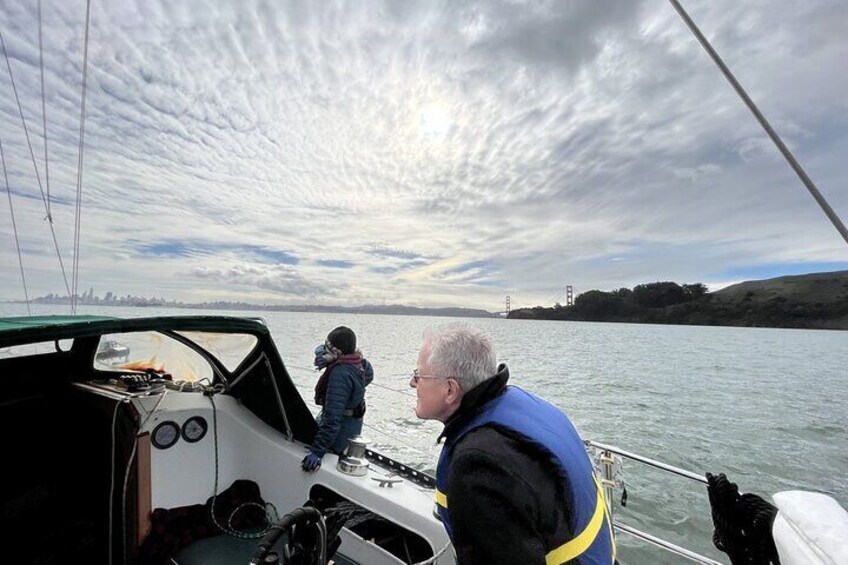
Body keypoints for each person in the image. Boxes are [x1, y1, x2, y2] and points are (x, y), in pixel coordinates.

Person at [411, 323, 616, 565]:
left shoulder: (479, 466)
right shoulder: (531, 408)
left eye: (418, 375)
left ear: (450, 390)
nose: (412, 384)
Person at [302, 326, 374, 472]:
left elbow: (332, 419)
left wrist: (317, 452)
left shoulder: (340, 373)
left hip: (340, 433)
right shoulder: (360, 363)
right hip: (354, 427)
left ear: (337, 352)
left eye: (328, 349)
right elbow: (369, 376)